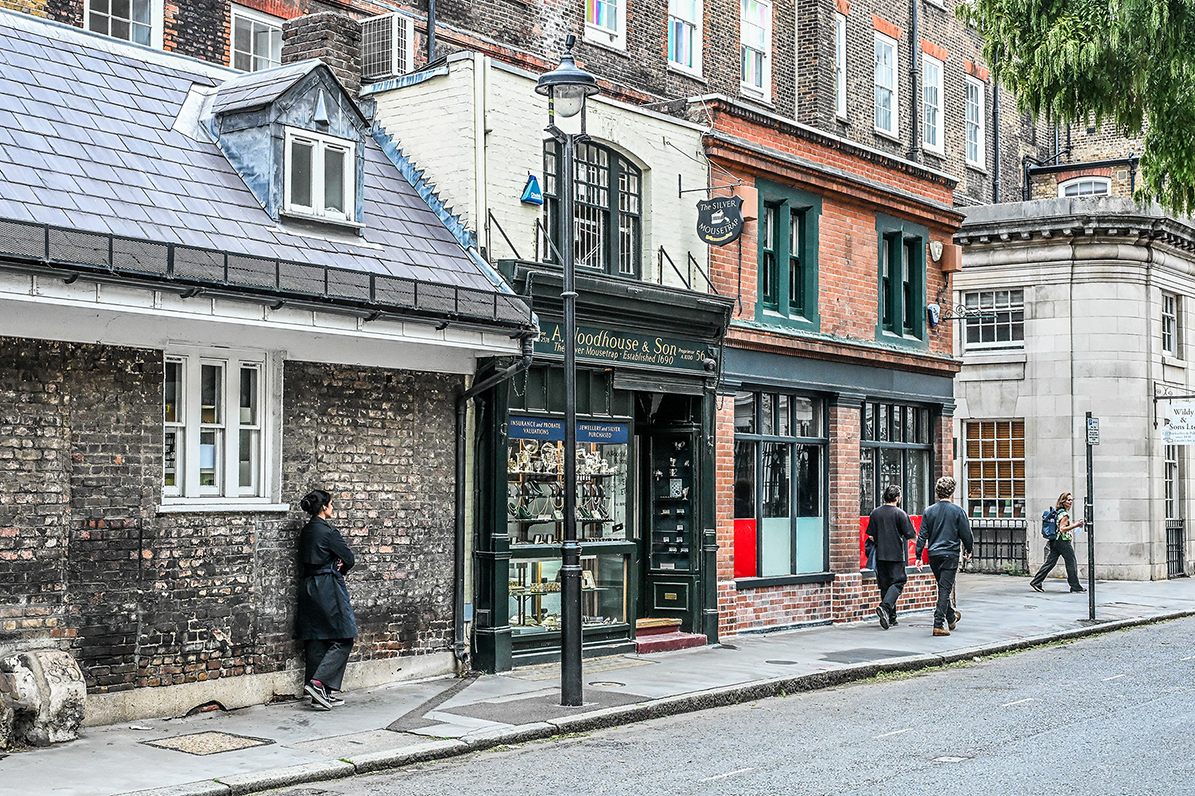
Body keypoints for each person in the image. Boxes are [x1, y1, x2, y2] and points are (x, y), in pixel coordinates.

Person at [297, 489, 357, 711]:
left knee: (317, 638)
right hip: (328, 586)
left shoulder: (306, 531)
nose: (333, 508)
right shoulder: (328, 532)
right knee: (344, 636)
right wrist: (339, 565)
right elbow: (349, 558)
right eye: (331, 504)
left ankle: (319, 695)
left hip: (308, 586)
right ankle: (319, 683)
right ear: (324, 507)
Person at [916, 476, 973, 637]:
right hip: (950, 554)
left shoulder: (929, 511)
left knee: (942, 587)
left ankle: (951, 616)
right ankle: (938, 623)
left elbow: (922, 535)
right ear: (952, 492)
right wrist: (969, 549)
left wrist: (918, 555)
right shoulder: (958, 511)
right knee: (945, 589)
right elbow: (966, 533)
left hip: (934, 554)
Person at [866, 485, 917, 629]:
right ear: (897, 498)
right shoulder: (900, 514)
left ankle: (891, 617)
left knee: (885, 586)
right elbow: (911, 536)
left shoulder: (875, 513)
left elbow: (870, 535)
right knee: (899, 582)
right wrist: (924, 545)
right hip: (895, 554)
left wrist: (881, 540)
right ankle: (885, 607)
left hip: (880, 555)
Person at [1029, 492, 1086, 593]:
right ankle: (1075, 586)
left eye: (1071, 500)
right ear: (1063, 502)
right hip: (1063, 541)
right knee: (1071, 563)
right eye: (1068, 500)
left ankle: (1036, 581)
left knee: (1050, 562)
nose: (1071, 502)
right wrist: (1076, 525)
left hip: (1054, 540)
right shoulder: (1064, 514)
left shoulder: (1058, 512)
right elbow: (1062, 529)